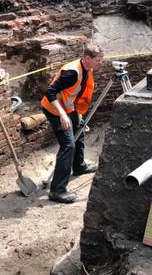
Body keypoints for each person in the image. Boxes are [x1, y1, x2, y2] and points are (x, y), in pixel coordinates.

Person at [41, 43, 104, 203]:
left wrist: (72, 113)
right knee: (68, 145)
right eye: (98, 60)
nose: (100, 63)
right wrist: (62, 114)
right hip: (55, 110)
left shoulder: (86, 68)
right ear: (87, 58)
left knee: (79, 130)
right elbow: (50, 93)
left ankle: (79, 166)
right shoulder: (72, 73)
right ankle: (57, 191)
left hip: (69, 109)